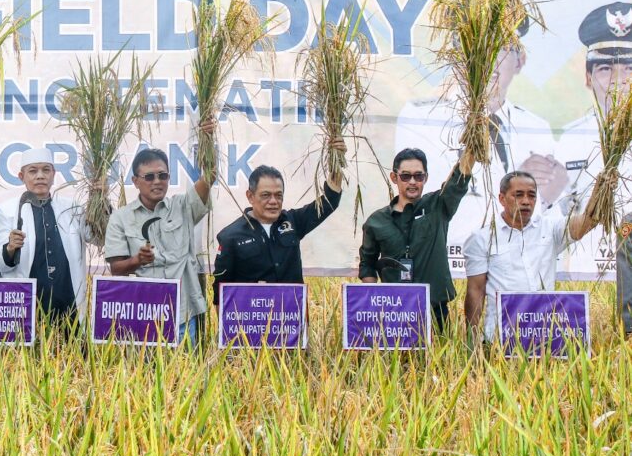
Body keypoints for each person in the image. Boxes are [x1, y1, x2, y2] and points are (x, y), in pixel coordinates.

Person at [395, 0, 558, 276]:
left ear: (520, 60)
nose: (488, 59)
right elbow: (427, 199)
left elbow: (541, 212)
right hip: (450, 264)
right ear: (456, 56)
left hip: (516, 267)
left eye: (502, 46)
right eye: (476, 47)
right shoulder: (421, 117)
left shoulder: (537, 128)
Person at [463, 171, 600, 342]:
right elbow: (475, 291)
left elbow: (585, 223)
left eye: (531, 195)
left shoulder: (550, 229)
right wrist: (472, 342)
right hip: (499, 339)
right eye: (518, 195)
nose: (526, 201)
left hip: (545, 337)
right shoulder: (482, 238)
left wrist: (602, 190)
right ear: (502, 198)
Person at [104, 145, 214, 347]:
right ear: (135, 181)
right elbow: (116, 268)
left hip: (182, 312)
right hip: (142, 314)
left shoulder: (183, 206)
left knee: (184, 374)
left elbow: (209, 177)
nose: (157, 182)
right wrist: (138, 260)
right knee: (142, 376)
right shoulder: (120, 218)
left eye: (163, 176)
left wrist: (207, 137)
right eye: (149, 177)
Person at [358, 147, 476, 333]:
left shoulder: (438, 206)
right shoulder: (376, 221)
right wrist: (375, 301)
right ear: (394, 178)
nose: (412, 182)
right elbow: (367, 264)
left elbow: (459, 181)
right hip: (394, 312)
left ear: (425, 178)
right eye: (405, 176)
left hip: (435, 310)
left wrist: (473, 144)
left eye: (418, 176)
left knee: (438, 361)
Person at [212, 140, 346, 300]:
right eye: (266, 195)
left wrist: (336, 159)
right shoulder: (230, 237)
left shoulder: (293, 221)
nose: (273, 201)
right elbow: (220, 293)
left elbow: (329, 202)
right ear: (250, 196)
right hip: (251, 321)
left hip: (292, 319)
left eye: (278, 195)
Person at [554, 1, 632, 277]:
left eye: (629, 69)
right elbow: (554, 217)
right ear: (588, 77)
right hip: (587, 275)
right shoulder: (570, 140)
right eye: (606, 69)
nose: (619, 80)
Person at [0, 148, 91, 329]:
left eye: (46, 170)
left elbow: (96, 237)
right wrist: (10, 248)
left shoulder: (72, 208)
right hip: (28, 306)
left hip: (69, 304)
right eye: (33, 171)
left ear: (53, 175)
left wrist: (99, 201)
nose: (40, 176)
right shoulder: (6, 210)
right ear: (21, 176)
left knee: (74, 355)